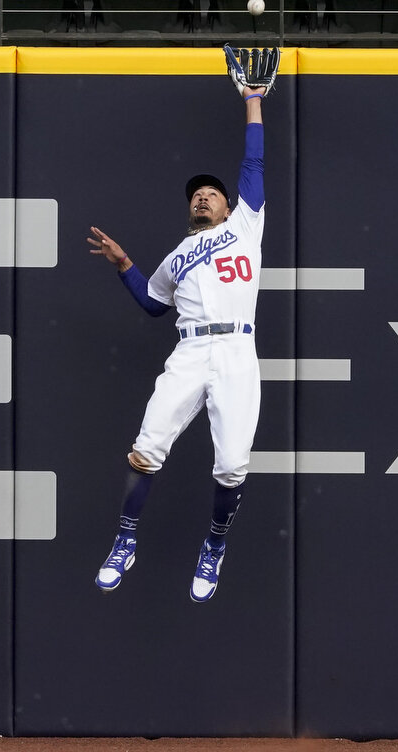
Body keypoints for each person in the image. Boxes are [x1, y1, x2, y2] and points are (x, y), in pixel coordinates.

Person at [86, 79, 268, 603]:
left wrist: (252, 100)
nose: (203, 196)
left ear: (229, 207)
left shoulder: (246, 225)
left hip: (236, 350)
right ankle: (125, 540)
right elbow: (152, 303)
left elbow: (253, 165)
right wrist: (125, 265)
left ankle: (214, 546)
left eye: (211, 193)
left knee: (233, 465)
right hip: (190, 351)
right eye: (196, 194)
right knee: (145, 449)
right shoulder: (174, 259)